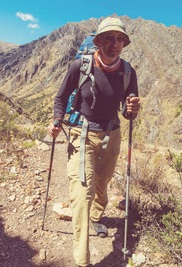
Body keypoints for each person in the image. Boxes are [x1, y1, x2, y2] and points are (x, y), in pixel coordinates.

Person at [47, 17, 140, 267]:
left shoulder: (128, 72)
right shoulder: (80, 66)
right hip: (82, 133)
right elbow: (61, 97)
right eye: (109, 38)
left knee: (103, 181)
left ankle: (97, 216)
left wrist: (133, 109)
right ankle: (82, 260)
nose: (115, 43)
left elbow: (127, 113)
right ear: (98, 41)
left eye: (120, 38)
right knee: (81, 193)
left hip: (113, 133)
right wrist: (57, 119)